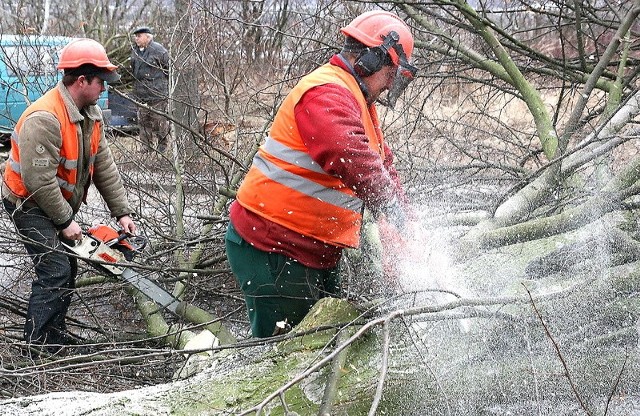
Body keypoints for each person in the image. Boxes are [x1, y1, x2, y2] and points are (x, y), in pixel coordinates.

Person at [225, 10, 418, 338]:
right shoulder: (326, 92)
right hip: (274, 243)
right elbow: (352, 158)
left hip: (311, 248)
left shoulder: (358, 100)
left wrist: (408, 230)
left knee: (327, 338)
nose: (389, 86)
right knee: (286, 355)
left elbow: (383, 165)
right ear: (373, 59)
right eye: (391, 75)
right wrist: (392, 212)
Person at [2, 38, 137, 353]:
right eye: (100, 81)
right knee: (55, 267)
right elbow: (38, 181)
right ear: (82, 80)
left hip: (50, 198)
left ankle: (54, 332)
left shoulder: (90, 113)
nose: (105, 88)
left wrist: (122, 212)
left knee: (69, 264)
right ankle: (36, 346)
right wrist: (65, 221)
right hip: (27, 201)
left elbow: (102, 164)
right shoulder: (45, 118)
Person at [130, 26, 170, 153]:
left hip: (157, 93)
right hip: (141, 94)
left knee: (159, 121)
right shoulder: (135, 50)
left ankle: (162, 146)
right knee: (143, 121)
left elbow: (169, 68)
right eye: (135, 36)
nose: (136, 38)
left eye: (139, 35)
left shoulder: (158, 50)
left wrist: (160, 84)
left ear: (148, 36)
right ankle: (146, 147)